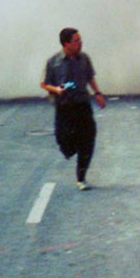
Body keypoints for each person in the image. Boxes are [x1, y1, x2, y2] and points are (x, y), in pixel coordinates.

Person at [40, 28, 106, 190]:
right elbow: (44, 83)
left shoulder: (84, 59)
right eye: (76, 41)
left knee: (88, 139)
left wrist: (97, 93)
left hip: (82, 104)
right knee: (65, 142)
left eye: (80, 40)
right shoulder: (53, 62)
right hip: (64, 107)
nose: (80, 44)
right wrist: (56, 90)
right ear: (66, 44)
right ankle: (70, 149)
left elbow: (90, 77)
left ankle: (81, 178)